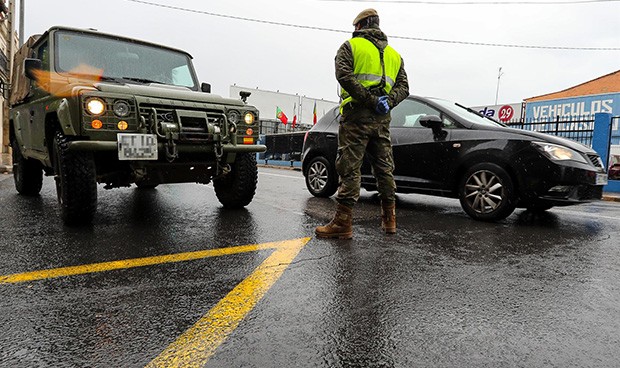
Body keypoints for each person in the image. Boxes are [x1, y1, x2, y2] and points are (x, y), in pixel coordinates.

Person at [315, 8, 409, 239]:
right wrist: (387, 101)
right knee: (385, 169)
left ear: (359, 26)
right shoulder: (394, 55)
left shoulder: (350, 46)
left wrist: (370, 100)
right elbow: (404, 87)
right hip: (381, 121)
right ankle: (390, 221)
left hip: (357, 118)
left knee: (350, 168)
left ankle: (343, 223)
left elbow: (344, 76)